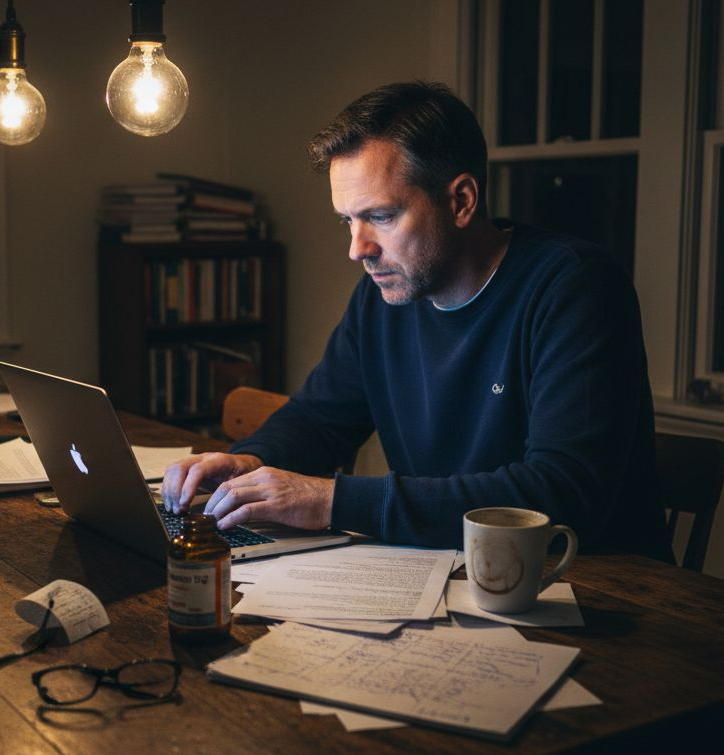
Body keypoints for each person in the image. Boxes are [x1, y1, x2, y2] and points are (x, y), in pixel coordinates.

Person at [161, 81, 670, 561]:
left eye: (380, 217)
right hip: (447, 571)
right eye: (348, 220)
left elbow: (561, 491)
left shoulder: (574, 287)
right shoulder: (382, 295)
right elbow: (320, 419)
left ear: (461, 201)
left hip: (590, 588)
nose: (357, 249)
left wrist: (331, 501)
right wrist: (251, 461)